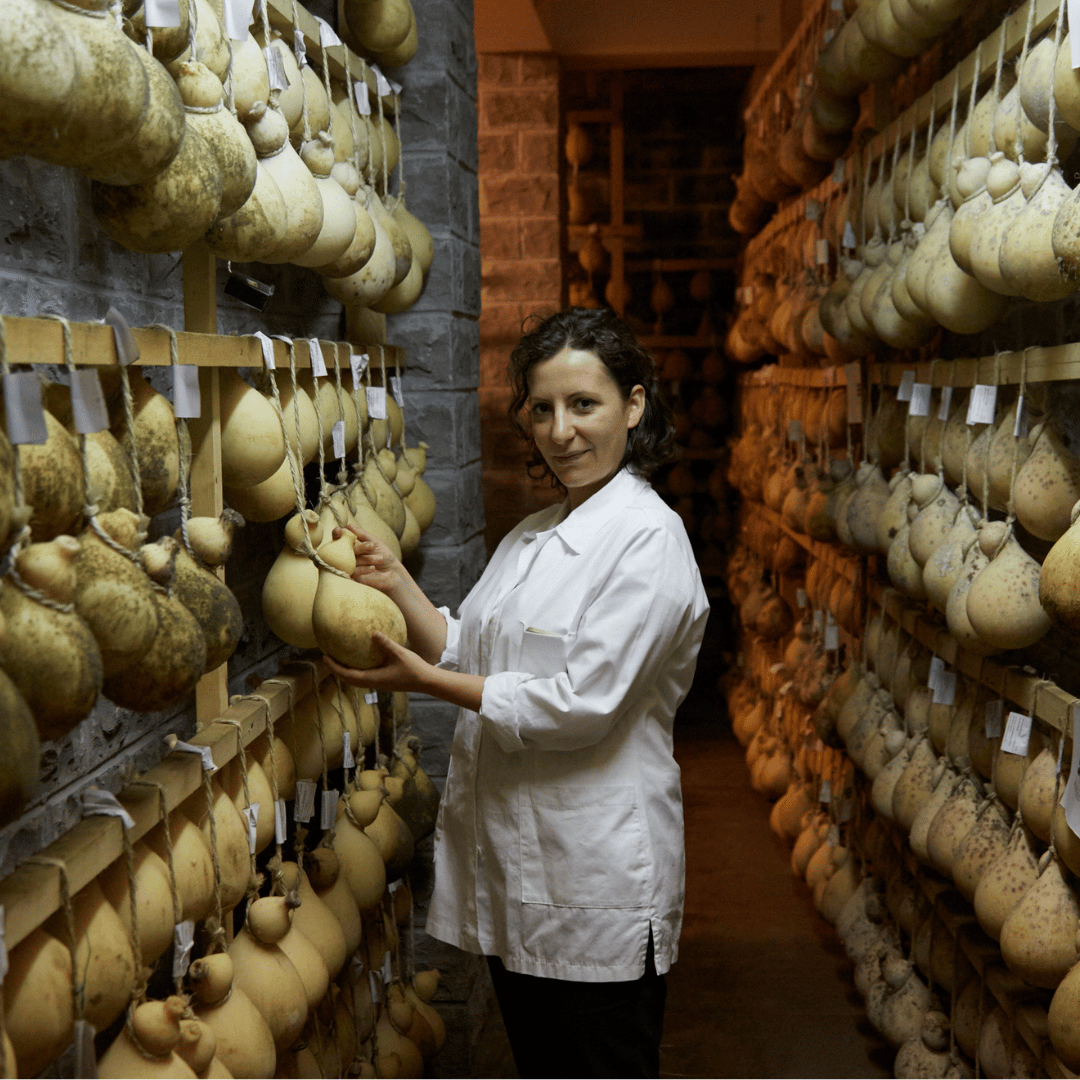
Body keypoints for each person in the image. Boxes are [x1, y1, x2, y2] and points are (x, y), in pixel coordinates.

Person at [325, 307, 709, 1078]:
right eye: (542, 409)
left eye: (584, 405)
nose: (560, 430)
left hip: (592, 880)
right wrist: (398, 582)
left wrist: (426, 683)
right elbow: (471, 646)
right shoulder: (533, 533)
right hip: (522, 876)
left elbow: (579, 704)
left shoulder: (649, 540)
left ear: (634, 406)